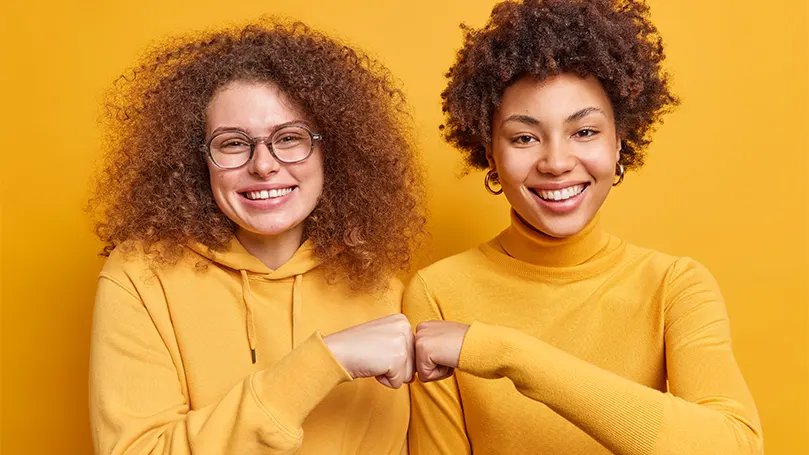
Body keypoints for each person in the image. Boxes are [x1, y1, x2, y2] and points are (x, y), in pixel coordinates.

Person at [404, 0, 763, 453]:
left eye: (585, 132)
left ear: (619, 142)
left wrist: (510, 354)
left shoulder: (675, 286)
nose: (556, 162)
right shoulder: (436, 294)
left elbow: (734, 445)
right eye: (524, 137)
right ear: (490, 153)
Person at [88, 19, 424, 455]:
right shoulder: (140, 278)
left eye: (289, 138)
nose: (263, 165)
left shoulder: (381, 287)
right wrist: (325, 362)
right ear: (198, 160)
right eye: (232, 143)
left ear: (332, 151)